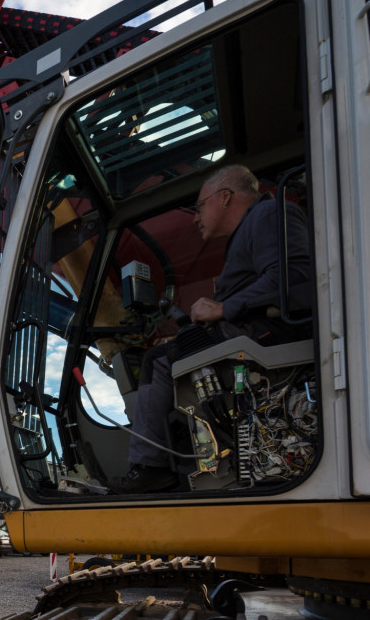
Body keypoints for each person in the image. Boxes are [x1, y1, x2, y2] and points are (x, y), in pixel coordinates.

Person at [111, 164, 311, 494]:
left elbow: (294, 278)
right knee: (177, 350)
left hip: (265, 336)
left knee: (159, 362)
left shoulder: (270, 213)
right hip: (253, 330)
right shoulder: (257, 225)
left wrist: (223, 308)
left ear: (226, 197)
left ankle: (150, 467)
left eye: (199, 206)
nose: (194, 217)